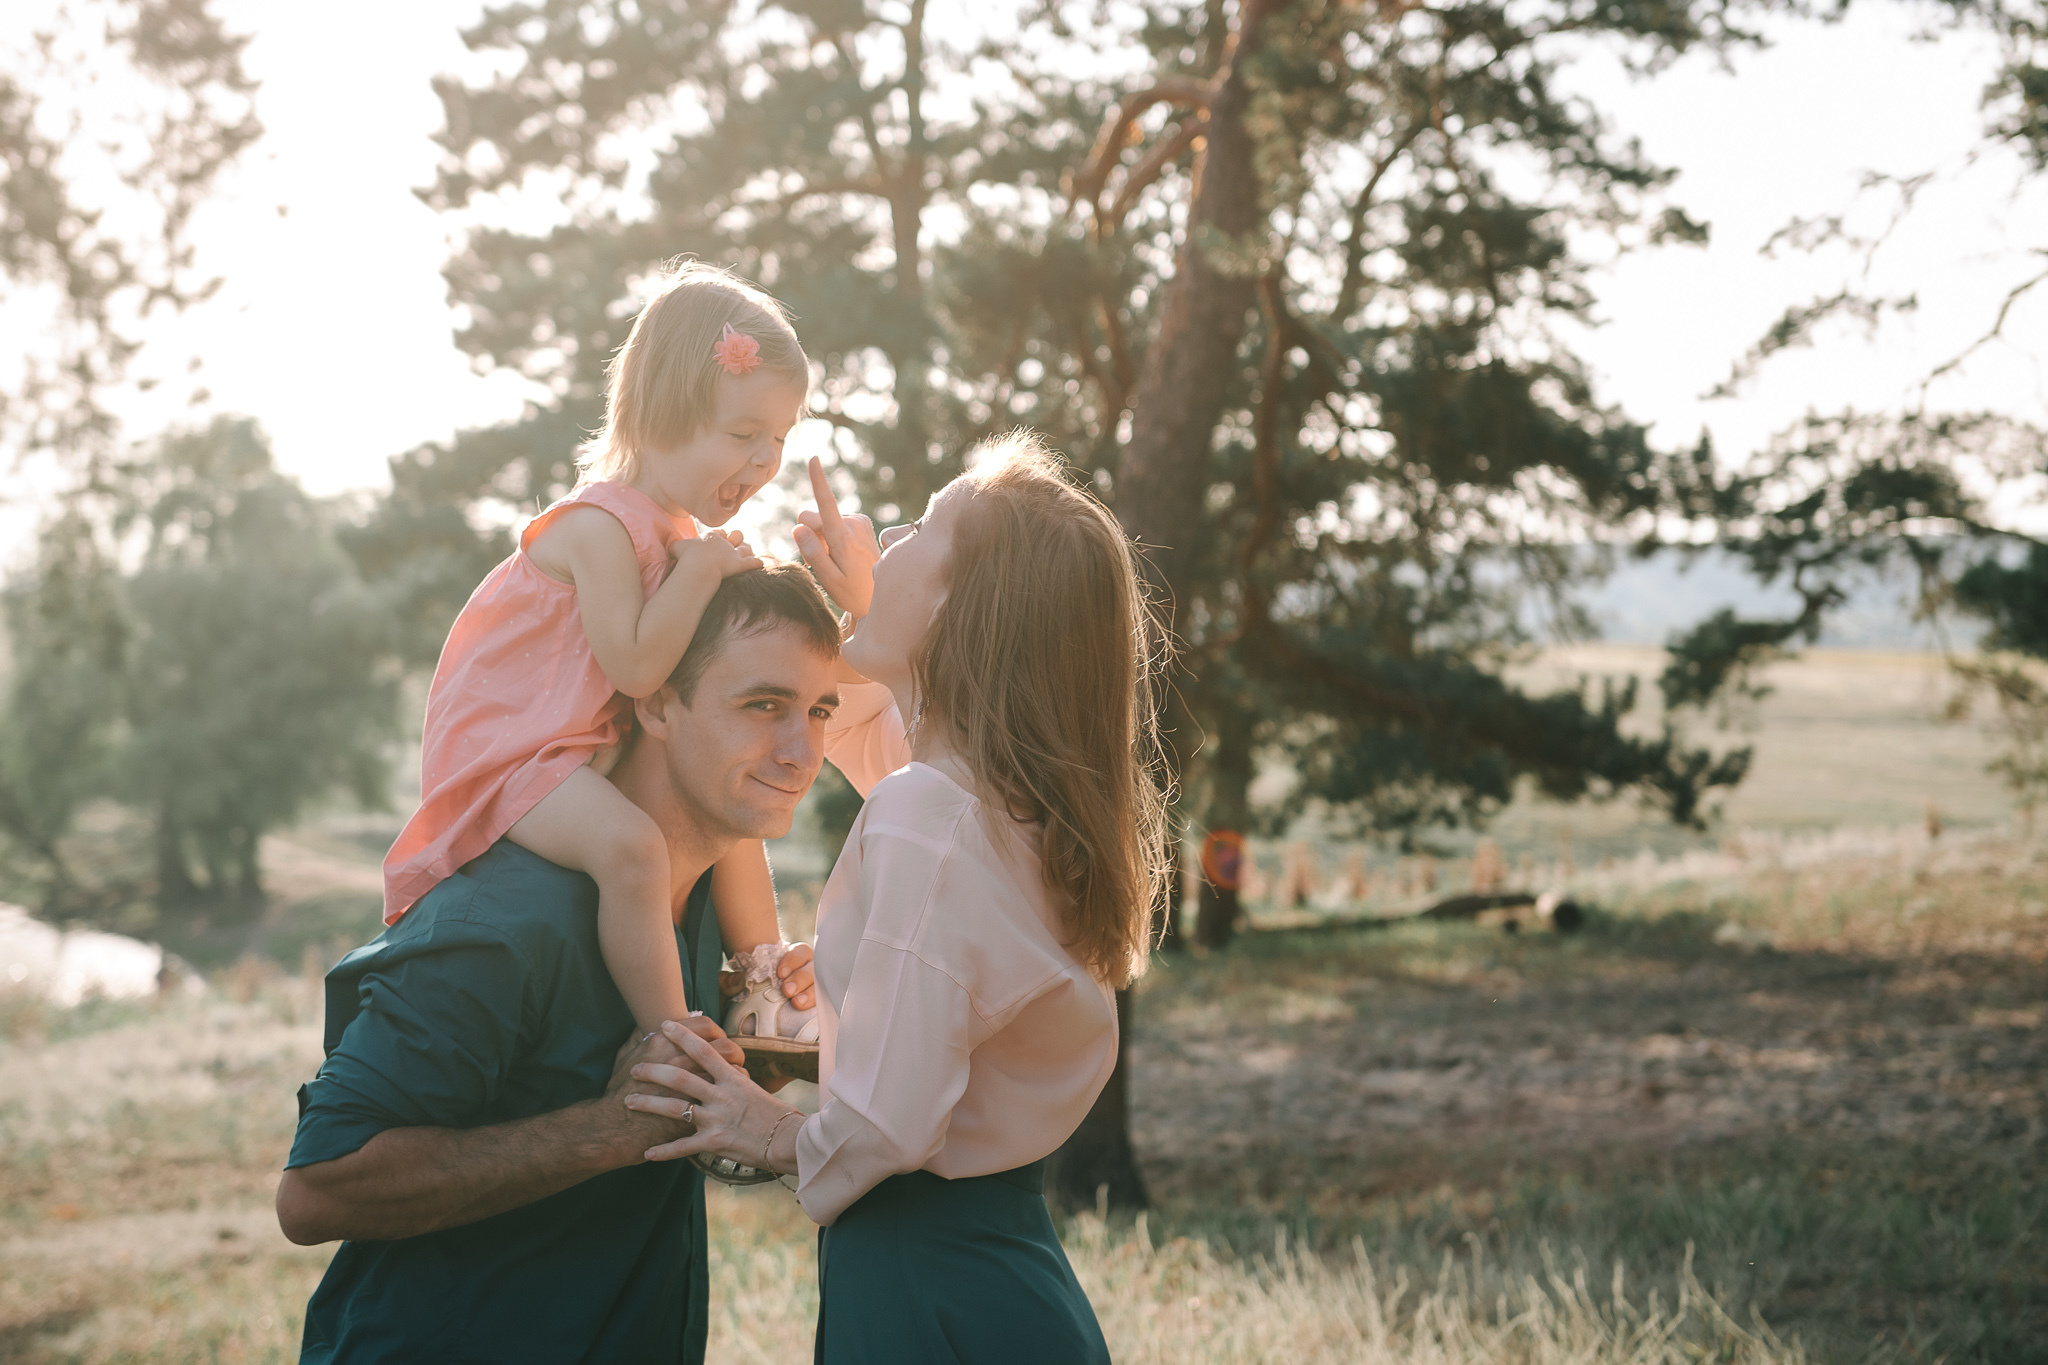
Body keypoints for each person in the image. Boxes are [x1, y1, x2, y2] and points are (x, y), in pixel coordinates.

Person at [626, 438, 1168, 1363]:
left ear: (958, 604)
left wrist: (759, 1125)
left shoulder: (934, 817)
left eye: (921, 525)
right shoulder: (1004, 809)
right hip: (995, 1276)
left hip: (923, 1284)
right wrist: (875, 611)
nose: (889, 534)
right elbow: (891, 735)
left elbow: (884, 1123)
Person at [276, 562, 842, 1364]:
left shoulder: (727, 915)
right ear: (655, 701)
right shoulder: (503, 921)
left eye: (820, 710)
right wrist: (606, 1131)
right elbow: (315, 1189)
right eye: (763, 705)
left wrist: (766, 1058)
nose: (801, 752)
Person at [379, 260, 819, 1047]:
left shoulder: (678, 537)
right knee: (634, 850)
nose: (762, 462)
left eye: (779, 440)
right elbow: (636, 667)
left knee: (729, 807)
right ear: (657, 419)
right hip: (514, 757)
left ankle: (759, 979)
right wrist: (706, 571)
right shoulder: (600, 526)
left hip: (581, 750)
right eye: (744, 435)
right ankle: (677, 1036)